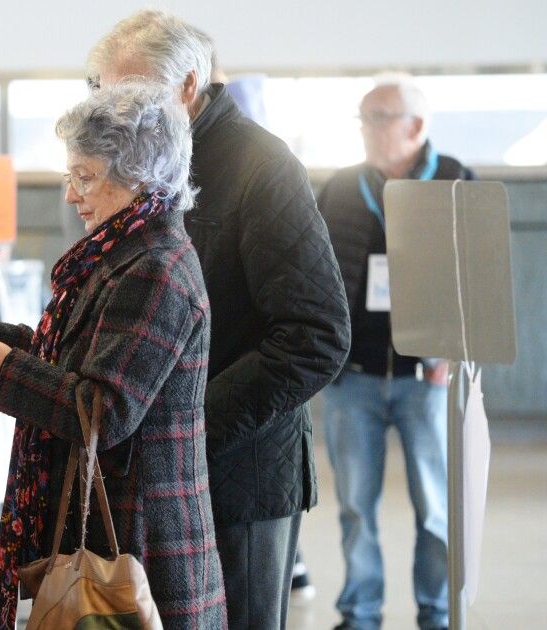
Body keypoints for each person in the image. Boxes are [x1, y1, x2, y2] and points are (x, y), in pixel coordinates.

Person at [0, 82, 226, 629]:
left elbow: (103, 410)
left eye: (86, 178)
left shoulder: (155, 267)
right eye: (69, 177)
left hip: (140, 540)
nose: (72, 196)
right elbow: (66, 356)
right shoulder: (119, 249)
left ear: (140, 177)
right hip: (113, 524)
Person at [87, 11, 351, 629]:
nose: (113, 106)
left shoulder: (261, 166)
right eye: (102, 89)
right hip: (157, 474)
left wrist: (189, 432)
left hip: (241, 477)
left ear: (186, 86)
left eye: (129, 89)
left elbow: (315, 337)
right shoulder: (144, 162)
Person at [317, 79, 473, 630]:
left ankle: (436, 613)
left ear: (416, 125)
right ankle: (360, 613)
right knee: (356, 509)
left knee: (436, 510)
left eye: (378, 116)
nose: (367, 128)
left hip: (427, 377)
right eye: (362, 117)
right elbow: (316, 280)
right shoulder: (338, 188)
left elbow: (474, 277)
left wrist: (452, 353)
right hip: (352, 377)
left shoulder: (456, 181)